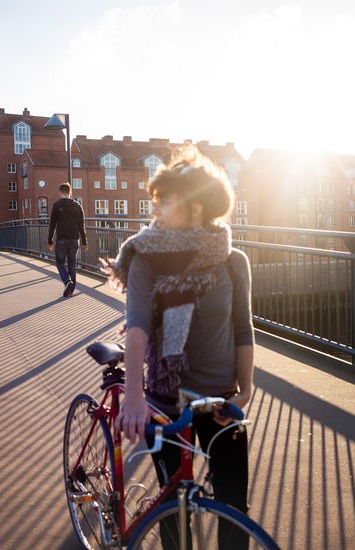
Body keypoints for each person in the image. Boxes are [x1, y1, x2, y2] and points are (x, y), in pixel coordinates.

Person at [109, 146, 254, 549]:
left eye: (167, 200)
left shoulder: (232, 260)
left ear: (195, 207)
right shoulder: (144, 258)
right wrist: (135, 400)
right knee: (173, 511)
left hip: (219, 402)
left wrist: (247, 388)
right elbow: (137, 327)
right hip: (165, 401)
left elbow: (243, 328)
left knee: (235, 511)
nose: (156, 208)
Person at [47, 182, 88, 297]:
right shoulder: (78, 205)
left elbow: (52, 224)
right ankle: (71, 289)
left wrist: (50, 240)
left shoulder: (56, 205)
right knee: (72, 264)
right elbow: (82, 225)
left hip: (61, 239)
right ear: (70, 192)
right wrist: (84, 241)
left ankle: (67, 282)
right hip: (74, 239)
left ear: (60, 192)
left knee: (60, 263)